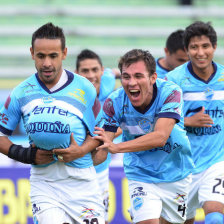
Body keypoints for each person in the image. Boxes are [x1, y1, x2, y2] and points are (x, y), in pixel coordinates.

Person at [0, 22, 105, 224]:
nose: (47, 63)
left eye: (53, 56)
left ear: (64, 53)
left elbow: (100, 134)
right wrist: (26, 154)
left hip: (83, 183)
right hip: (45, 183)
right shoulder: (21, 92)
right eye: (41, 56)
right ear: (32, 53)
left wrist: (81, 151)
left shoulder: (85, 88)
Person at [94, 49, 195, 224]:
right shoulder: (114, 102)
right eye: (126, 76)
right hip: (140, 173)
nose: (131, 82)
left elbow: (160, 137)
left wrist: (117, 147)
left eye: (138, 76)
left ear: (153, 78)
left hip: (176, 172)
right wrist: (74, 156)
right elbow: (103, 147)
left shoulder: (171, 93)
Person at [165, 21, 224, 224]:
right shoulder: (173, 81)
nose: (200, 52)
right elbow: (160, 122)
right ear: (187, 50)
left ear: (214, 47)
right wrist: (188, 121)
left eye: (205, 46)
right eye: (194, 47)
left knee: (215, 218)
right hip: (182, 166)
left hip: (217, 162)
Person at [75, 49, 116, 224]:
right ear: (76, 74)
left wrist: (105, 135)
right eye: (85, 71)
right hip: (75, 170)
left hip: (100, 170)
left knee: (102, 219)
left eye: (95, 70)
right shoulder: (71, 96)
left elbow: (113, 72)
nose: (91, 75)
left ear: (101, 71)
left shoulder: (108, 83)